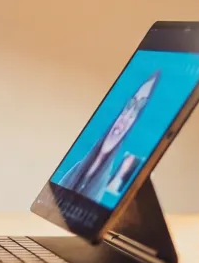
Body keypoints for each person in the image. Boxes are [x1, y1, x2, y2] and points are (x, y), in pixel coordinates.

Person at [57, 71, 161, 203]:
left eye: (137, 110)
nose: (126, 117)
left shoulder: (110, 188)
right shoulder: (76, 166)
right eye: (130, 104)